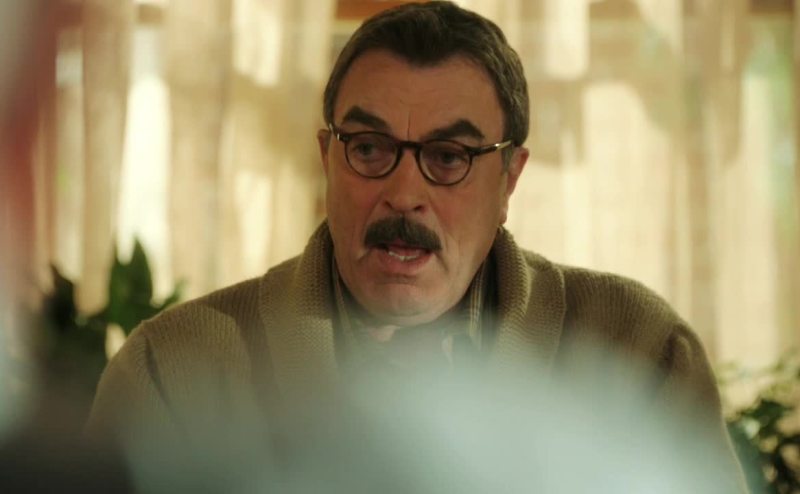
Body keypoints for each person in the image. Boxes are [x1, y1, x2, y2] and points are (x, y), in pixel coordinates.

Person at [88, 2, 748, 491]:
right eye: (370, 148)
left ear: (509, 179)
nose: (404, 194)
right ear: (327, 159)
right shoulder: (172, 373)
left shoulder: (637, 352)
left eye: (449, 156)